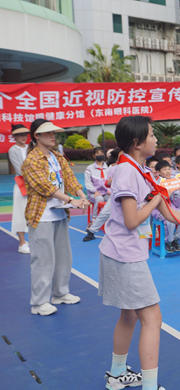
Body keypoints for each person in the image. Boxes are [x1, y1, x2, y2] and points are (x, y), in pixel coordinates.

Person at [99, 116, 180, 390]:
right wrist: (155, 199)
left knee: (129, 315)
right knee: (152, 318)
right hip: (125, 255)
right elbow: (132, 220)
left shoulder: (138, 169)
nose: (155, 139)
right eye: (151, 135)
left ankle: (117, 375)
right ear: (137, 142)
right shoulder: (128, 172)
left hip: (117, 252)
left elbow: (168, 211)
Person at [21, 119, 90, 316]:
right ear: (36, 136)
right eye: (48, 133)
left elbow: (69, 178)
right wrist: (71, 199)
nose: (53, 136)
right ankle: (39, 302)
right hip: (41, 216)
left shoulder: (56, 156)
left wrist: (82, 195)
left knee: (63, 257)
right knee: (43, 260)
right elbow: (45, 187)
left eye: (54, 133)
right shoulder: (32, 161)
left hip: (59, 213)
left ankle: (59, 293)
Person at [83, 149, 123, 242]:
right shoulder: (112, 168)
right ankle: (92, 228)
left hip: (116, 194)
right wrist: (96, 190)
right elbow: (107, 183)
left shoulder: (111, 167)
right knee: (103, 208)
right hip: (103, 194)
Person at [152, 160, 180, 253]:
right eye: (165, 169)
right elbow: (153, 201)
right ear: (158, 172)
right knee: (170, 220)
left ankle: (174, 239)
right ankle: (168, 242)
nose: (168, 171)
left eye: (169, 169)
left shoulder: (173, 182)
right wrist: (165, 196)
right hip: (159, 210)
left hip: (172, 208)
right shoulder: (155, 184)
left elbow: (177, 204)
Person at [9, 124, 30, 253]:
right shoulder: (13, 150)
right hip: (21, 185)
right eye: (20, 134)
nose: (23, 136)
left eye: (25, 134)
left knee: (34, 213)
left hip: (34, 186)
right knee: (20, 213)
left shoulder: (31, 148)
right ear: (15, 136)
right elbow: (20, 170)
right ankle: (22, 243)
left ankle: (33, 240)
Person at [85, 147, 110, 220]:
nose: (100, 155)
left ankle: (109, 218)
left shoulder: (108, 168)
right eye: (98, 154)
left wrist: (110, 191)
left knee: (112, 199)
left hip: (106, 193)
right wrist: (94, 191)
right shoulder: (89, 168)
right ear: (94, 155)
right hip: (93, 193)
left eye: (101, 153)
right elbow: (88, 183)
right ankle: (95, 219)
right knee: (99, 199)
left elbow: (110, 182)